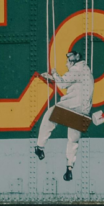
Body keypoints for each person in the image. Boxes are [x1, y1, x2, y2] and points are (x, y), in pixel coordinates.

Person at [35, 48, 93, 180]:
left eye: (68, 61)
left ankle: (40, 146)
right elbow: (72, 82)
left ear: (75, 59)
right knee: (73, 140)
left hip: (72, 107)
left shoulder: (77, 69)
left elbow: (62, 84)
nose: (67, 64)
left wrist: (54, 74)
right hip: (83, 112)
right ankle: (69, 168)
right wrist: (52, 78)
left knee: (49, 116)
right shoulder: (87, 71)